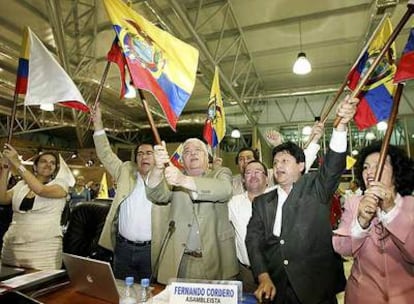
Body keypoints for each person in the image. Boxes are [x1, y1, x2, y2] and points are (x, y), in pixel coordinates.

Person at [245, 97, 357, 304]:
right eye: (276, 161)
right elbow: (253, 241)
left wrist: (340, 127)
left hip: (316, 290)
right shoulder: (262, 202)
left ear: (301, 166)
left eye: (285, 161)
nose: (279, 165)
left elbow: (332, 166)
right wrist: (263, 276)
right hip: (276, 289)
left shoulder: (315, 188)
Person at [229, 123, 324, 292]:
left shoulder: (279, 193)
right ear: (242, 180)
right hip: (246, 273)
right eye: (248, 173)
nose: (253, 175)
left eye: (259, 171)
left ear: (268, 178)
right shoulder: (233, 202)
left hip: (277, 271)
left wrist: (314, 139)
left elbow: (298, 165)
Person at [146, 138, 238, 284]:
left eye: (197, 150)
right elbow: (155, 194)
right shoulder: (173, 180)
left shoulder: (220, 173)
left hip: (216, 260)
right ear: (182, 160)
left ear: (207, 157)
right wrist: (157, 169)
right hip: (181, 261)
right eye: (187, 152)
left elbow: (225, 190)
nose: (192, 154)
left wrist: (183, 180)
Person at [332, 141, 414, 303]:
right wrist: (361, 221)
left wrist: (391, 211)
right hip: (362, 296)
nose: (370, 172)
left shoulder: (410, 205)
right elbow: (342, 248)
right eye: (365, 167)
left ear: (396, 172)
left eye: (378, 166)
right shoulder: (354, 203)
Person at [92, 103, 154, 281]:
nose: (144, 156)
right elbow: (105, 154)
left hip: (151, 251)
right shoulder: (126, 171)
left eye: (149, 153)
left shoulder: (166, 181)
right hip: (122, 248)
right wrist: (98, 124)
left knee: (149, 295)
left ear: (157, 158)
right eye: (140, 153)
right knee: (121, 292)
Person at [0, 145, 74, 270]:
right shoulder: (21, 185)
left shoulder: (61, 185)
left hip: (43, 248)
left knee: (39, 286)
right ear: (35, 166)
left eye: (52, 163)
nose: (48, 165)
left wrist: (18, 164)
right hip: (13, 245)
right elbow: (2, 198)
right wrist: (6, 168)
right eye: (44, 161)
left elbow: (40, 190)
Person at [233, 124, 322, 195]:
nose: (246, 162)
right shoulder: (234, 196)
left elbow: (295, 168)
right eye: (241, 159)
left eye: (249, 158)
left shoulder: (274, 184)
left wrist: (313, 140)